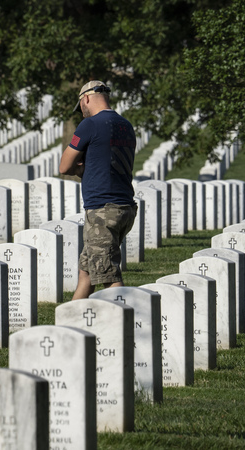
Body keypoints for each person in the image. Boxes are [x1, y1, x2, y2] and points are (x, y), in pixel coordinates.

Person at [59, 80, 137, 299]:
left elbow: (64, 166)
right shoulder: (126, 125)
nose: (82, 112)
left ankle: (127, 326)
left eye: (81, 106)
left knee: (107, 274)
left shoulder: (90, 125)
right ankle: (70, 326)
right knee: (87, 272)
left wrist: (78, 169)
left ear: (86, 99)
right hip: (124, 206)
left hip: (103, 209)